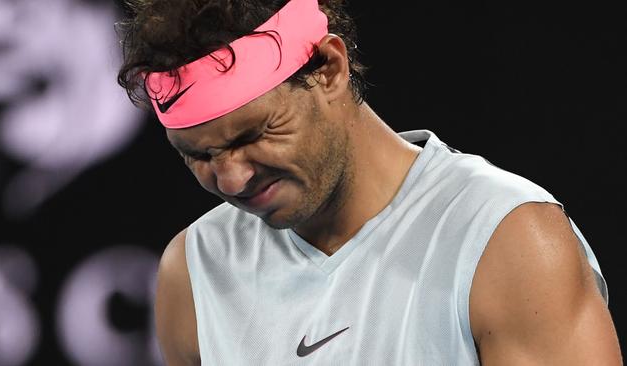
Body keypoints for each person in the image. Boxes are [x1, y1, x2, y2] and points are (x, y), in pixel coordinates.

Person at [116, 0, 622, 364]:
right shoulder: (194, 270)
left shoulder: (505, 238)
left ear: (329, 68)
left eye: (255, 134)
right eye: (199, 156)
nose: (231, 177)